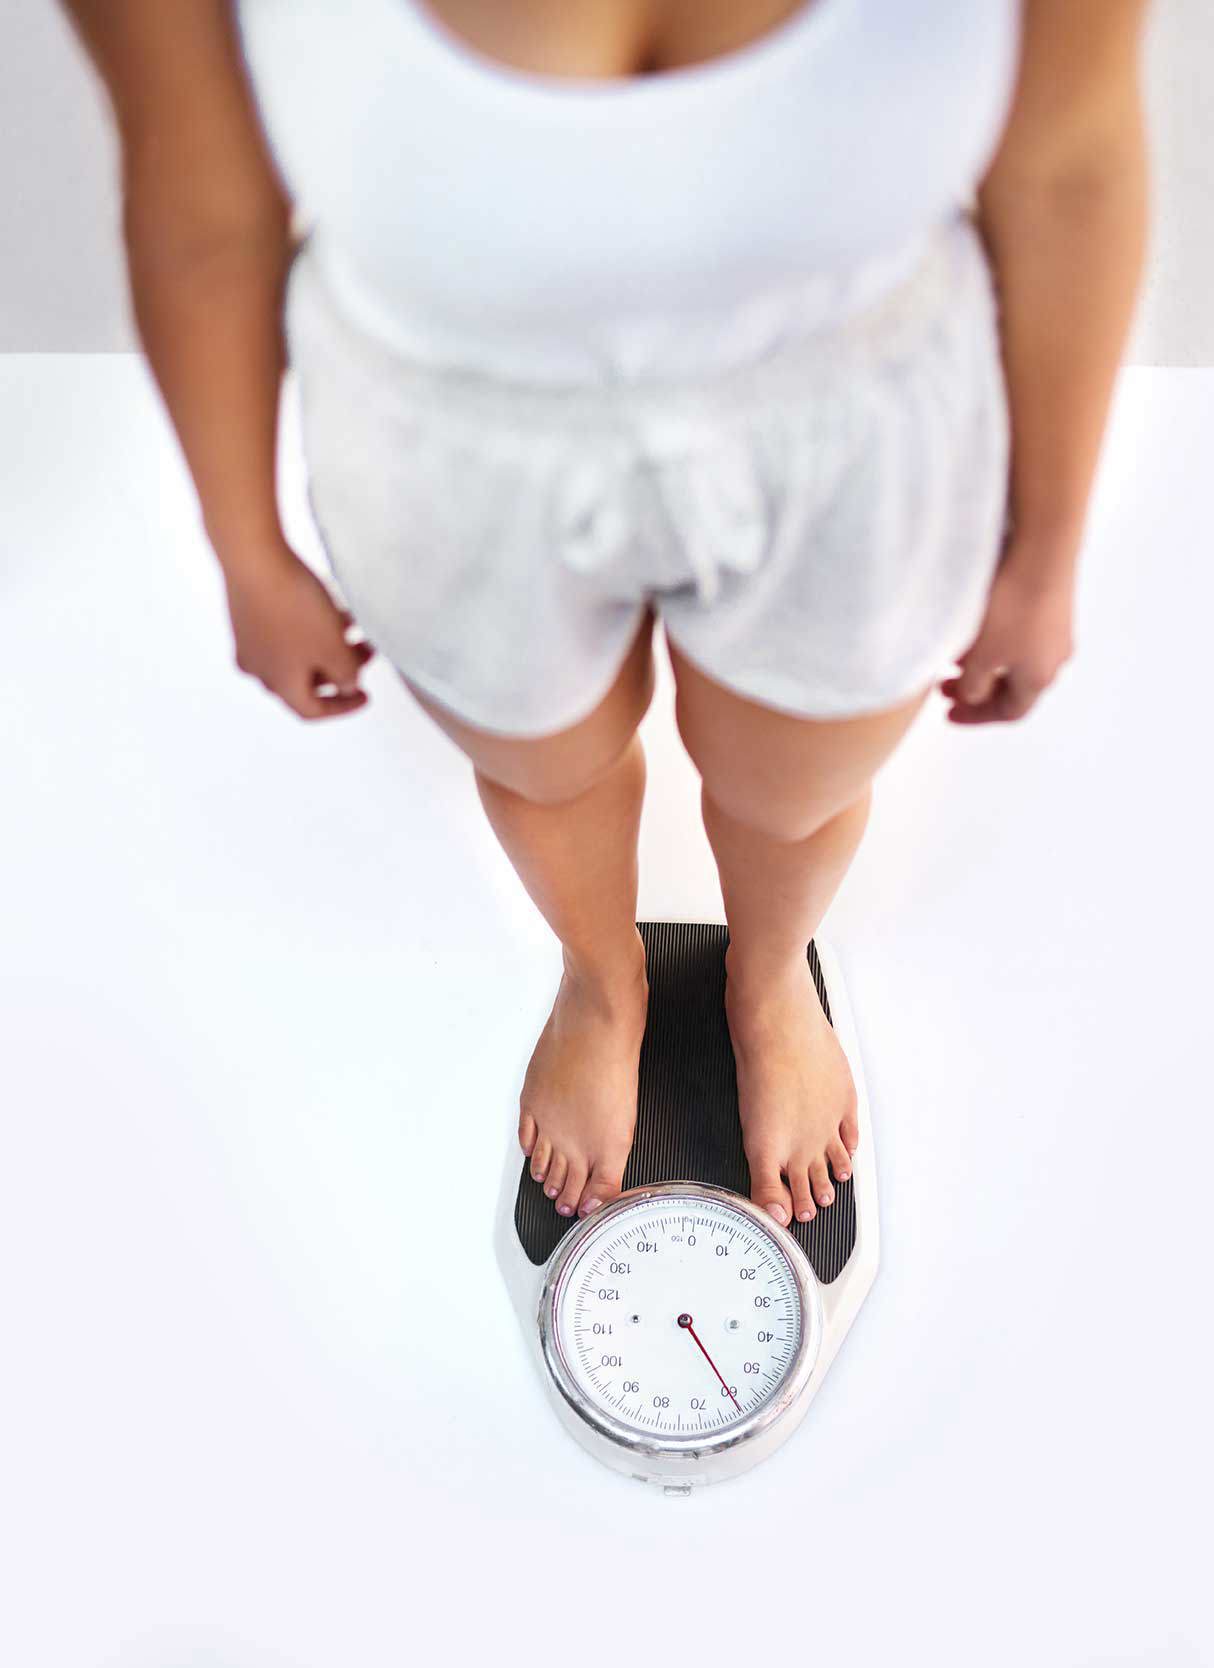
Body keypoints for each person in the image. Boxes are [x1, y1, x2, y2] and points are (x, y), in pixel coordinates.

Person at [61, 0, 1151, 1229]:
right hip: (449, 420)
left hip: (848, 406)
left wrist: (1050, 544)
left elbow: (1066, 161)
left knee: (790, 786)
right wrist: (246, 552)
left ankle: (769, 976)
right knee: (545, 764)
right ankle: (601, 980)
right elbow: (200, 199)